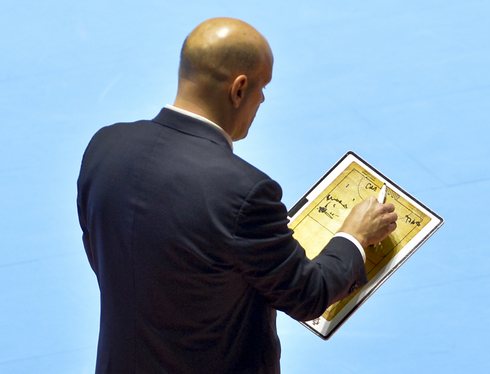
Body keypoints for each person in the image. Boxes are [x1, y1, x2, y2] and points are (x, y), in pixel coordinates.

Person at [77, 17, 397, 374]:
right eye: (262, 87)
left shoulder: (105, 147)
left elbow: (103, 254)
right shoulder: (245, 193)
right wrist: (354, 236)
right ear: (239, 89)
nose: (263, 99)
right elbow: (309, 294)